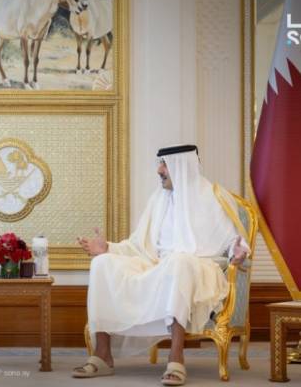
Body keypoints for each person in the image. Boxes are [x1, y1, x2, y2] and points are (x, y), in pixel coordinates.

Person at [72, 145, 249, 386]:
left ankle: (176, 357)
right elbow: (139, 245)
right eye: (160, 164)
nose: (159, 170)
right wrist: (108, 248)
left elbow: (231, 242)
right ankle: (103, 355)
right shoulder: (159, 199)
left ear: (181, 166)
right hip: (157, 265)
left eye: (164, 164)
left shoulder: (212, 197)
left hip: (199, 268)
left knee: (179, 261)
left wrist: (237, 252)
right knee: (102, 263)